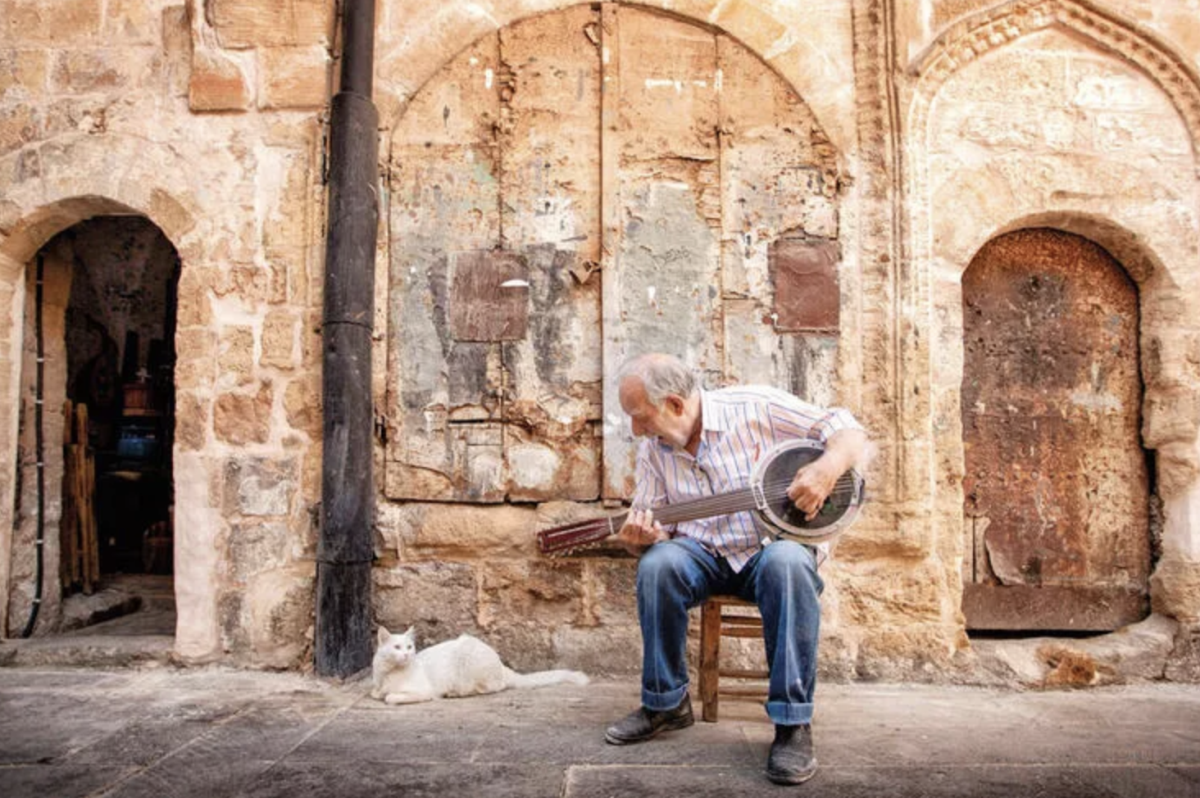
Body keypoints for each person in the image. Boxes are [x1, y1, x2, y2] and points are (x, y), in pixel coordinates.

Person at [604, 353, 868, 785]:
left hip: (767, 551)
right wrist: (642, 542)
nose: (635, 430)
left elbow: (846, 429)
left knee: (788, 563)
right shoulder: (654, 452)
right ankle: (666, 703)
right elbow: (659, 530)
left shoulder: (755, 406)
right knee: (658, 565)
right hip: (702, 555)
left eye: (640, 416)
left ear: (674, 404)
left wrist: (827, 467)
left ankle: (792, 724)